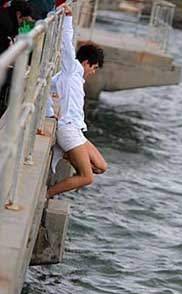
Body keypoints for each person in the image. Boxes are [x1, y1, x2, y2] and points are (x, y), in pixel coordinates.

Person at [46, 3, 107, 199]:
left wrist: (48, 108)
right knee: (86, 177)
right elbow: (66, 44)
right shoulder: (72, 69)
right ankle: (46, 194)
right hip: (67, 129)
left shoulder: (72, 78)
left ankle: (68, 154)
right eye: (94, 67)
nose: (93, 72)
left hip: (77, 129)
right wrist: (68, 19)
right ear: (86, 62)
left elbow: (45, 86)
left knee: (101, 167)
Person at [0, 0, 33, 116]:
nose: (21, 24)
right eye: (22, 20)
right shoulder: (6, 23)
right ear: (18, 14)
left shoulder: (6, 17)